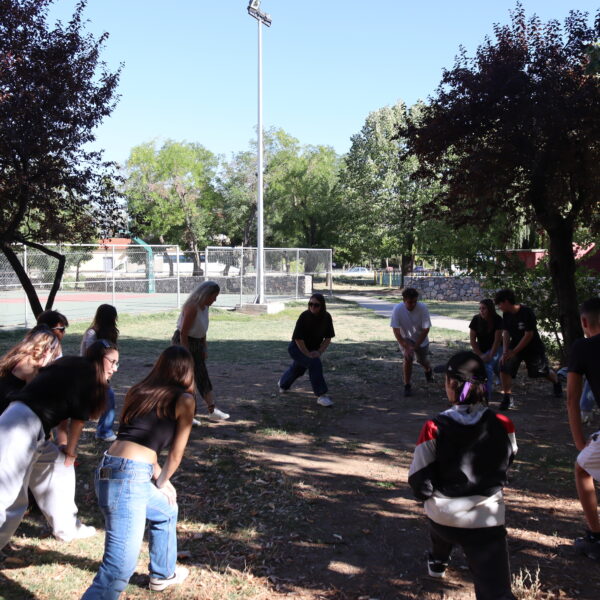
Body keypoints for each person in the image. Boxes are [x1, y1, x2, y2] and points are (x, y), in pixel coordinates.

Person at [81, 345, 195, 598]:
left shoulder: (139, 391)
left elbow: (139, 439)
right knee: (118, 569)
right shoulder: (185, 400)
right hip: (128, 479)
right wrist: (163, 480)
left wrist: (158, 477)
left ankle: (163, 574)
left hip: (111, 467)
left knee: (166, 510)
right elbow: (176, 454)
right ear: (188, 371)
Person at [408, 351, 517, 600]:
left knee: (437, 513)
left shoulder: (434, 426)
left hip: (443, 517)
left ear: (451, 384)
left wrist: (427, 494)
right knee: (496, 592)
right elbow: (508, 460)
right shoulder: (503, 423)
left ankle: (438, 560)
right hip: (486, 520)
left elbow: (419, 480)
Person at [0, 339, 117, 550]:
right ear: (100, 359)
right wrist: (71, 452)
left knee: (56, 465)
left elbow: (62, 411)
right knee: (9, 497)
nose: (115, 368)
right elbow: (78, 421)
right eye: (113, 362)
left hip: (30, 424)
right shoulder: (89, 375)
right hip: (20, 426)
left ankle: (67, 527)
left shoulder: (71, 363)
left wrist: (63, 448)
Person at [566, 298, 600, 559]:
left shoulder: (583, 347)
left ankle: (596, 536)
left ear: (584, 322)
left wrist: (579, 442)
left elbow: (572, 398)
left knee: (582, 467)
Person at [494, 289, 561, 410]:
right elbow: (506, 332)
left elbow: (529, 335)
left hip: (533, 347)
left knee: (540, 372)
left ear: (507, 301)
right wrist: (505, 352)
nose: (499, 307)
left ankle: (556, 381)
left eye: (500, 304)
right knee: (504, 366)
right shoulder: (506, 314)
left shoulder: (526, 312)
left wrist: (514, 352)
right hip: (515, 345)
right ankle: (507, 397)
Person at [172, 281, 229, 423]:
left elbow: (203, 330)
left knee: (202, 375)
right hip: (184, 342)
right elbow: (183, 333)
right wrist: (186, 354)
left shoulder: (205, 307)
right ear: (206, 294)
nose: (215, 300)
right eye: (214, 296)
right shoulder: (192, 307)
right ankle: (188, 414)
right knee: (186, 378)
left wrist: (204, 348)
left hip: (197, 342)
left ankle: (212, 410)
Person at [278, 293, 335, 407]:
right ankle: (321, 395)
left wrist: (319, 352)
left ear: (322, 306)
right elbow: (298, 339)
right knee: (314, 363)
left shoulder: (326, 317)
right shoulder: (304, 316)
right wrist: (307, 354)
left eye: (316, 305)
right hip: (297, 348)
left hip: (312, 350)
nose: (312, 307)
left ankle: (283, 383)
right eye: (310, 304)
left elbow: (328, 338)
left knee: (298, 369)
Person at [81, 304, 119, 441]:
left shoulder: (110, 332)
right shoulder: (92, 333)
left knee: (106, 397)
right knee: (108, 396)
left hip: (103, 370)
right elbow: (89, 354)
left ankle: (103, 429)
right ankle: (104, 431)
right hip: (90, 371)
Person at [390, 287, 433, 397]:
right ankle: (407, 385)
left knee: (422, 360)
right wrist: (406, 346)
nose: (413, 304)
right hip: (406, 338)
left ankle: (428, 370)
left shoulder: (423, 308)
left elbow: (426, 329)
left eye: (415, 302)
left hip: (421, 339)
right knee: (408, 358)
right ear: (404, 300)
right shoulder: (397, 309)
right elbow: (396, 331)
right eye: (410, 302)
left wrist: (416, 346)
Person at [469, 299, 503, 403]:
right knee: (474, 367)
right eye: (480, 308)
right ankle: (467, 393)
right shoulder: (476, 319)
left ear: (490, 309)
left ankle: (486, 397)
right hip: (481, 349)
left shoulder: (498, 319)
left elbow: (497, 341)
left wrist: (490, 355)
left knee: (487, 367)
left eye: (484, 308)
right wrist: (480, 355)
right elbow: (472, 340)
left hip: (496, 348)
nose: (481, 311)